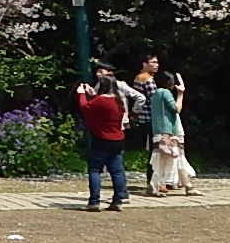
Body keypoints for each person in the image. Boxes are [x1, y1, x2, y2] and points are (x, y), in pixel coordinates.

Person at [76, 75, 128, 212]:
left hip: (101, 139)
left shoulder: (101, 100)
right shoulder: (118, 101)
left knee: (95, 170)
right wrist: (93, 96)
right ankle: (118, 200)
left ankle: (94, 201)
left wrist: (81, 94)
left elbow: (85, 107)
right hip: (118, 139)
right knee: (116, 171)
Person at [150, 70, 200, 196]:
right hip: (166, 131)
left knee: (170, 158)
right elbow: (177, 109)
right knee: (168, 158)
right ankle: (155, 186)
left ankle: (187, 185)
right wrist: (180, 94)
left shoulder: (155, 94)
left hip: (160, 130)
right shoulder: (165, 93)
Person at [129, 52, 160, 195]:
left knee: (151, 149)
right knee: (156, 150)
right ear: (144, 64)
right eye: (152, 62)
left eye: (156, 62)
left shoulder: (137, 78)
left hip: (142, 118)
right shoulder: (148, 80)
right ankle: (153, 181)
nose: (156, 65)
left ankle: (152, 180)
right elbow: (156, 100)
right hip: (152, 118)